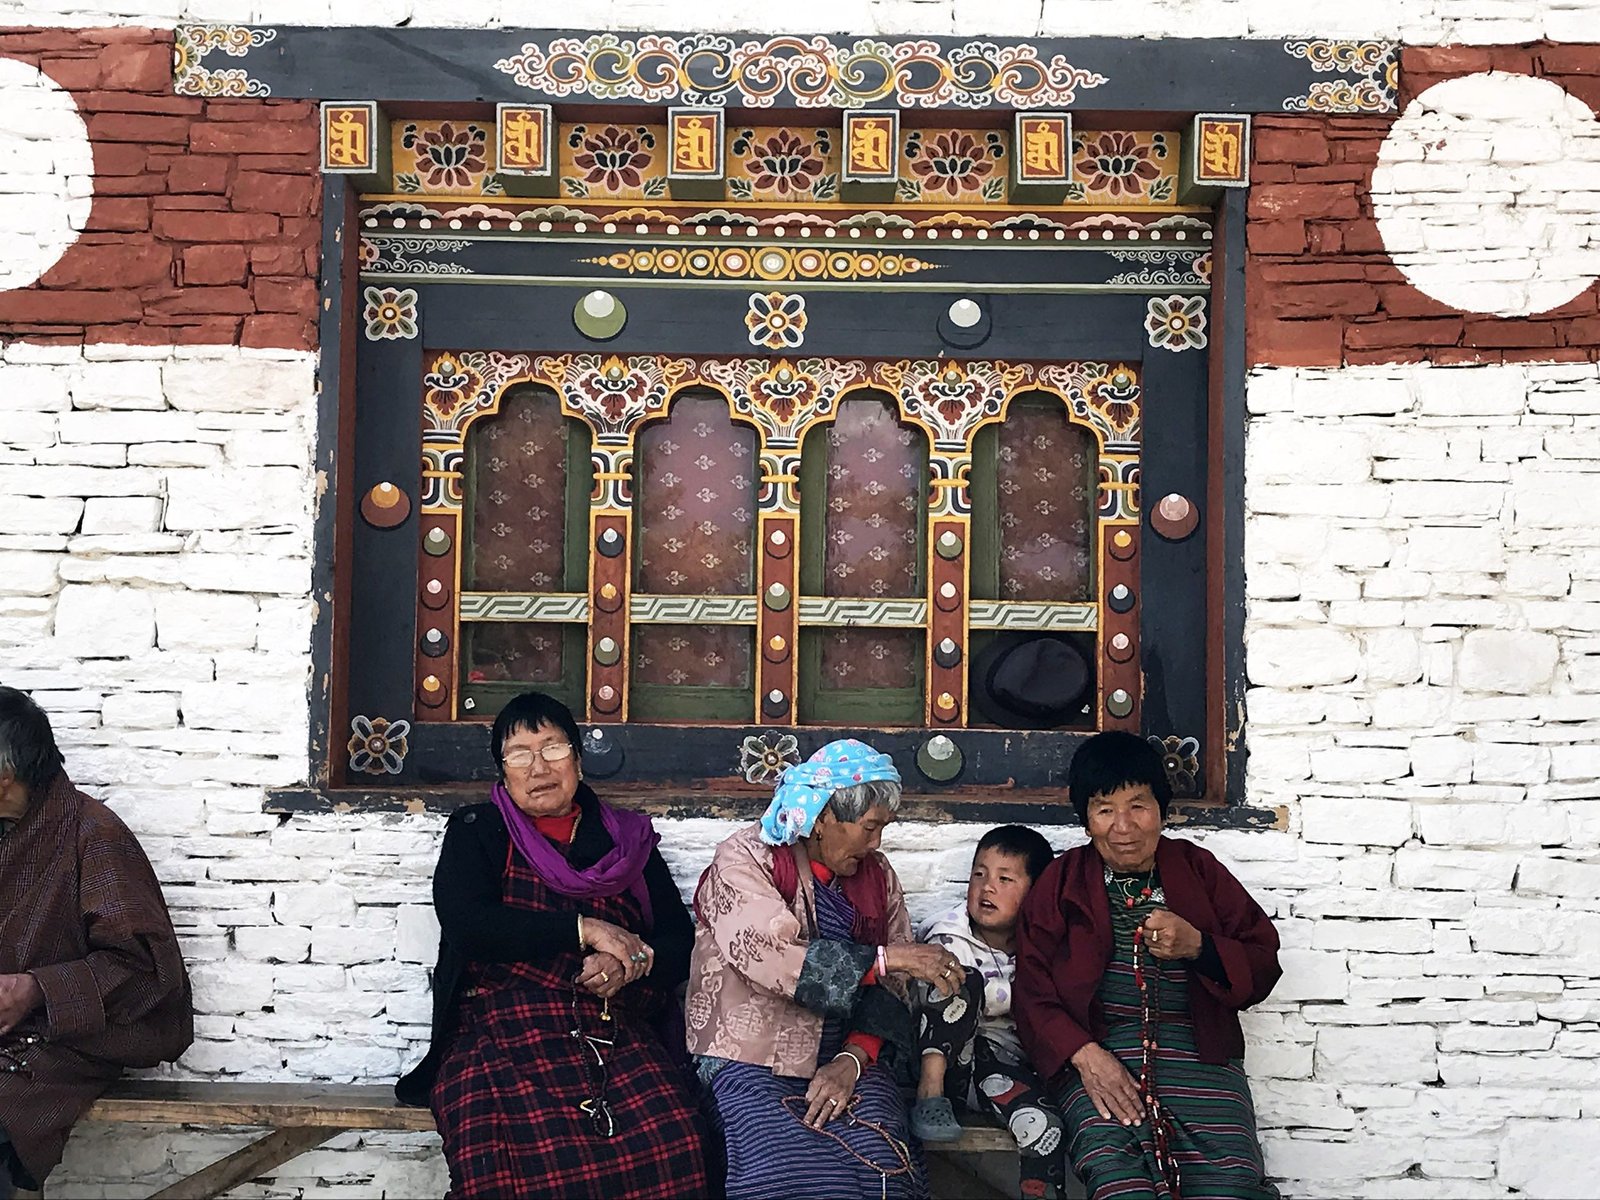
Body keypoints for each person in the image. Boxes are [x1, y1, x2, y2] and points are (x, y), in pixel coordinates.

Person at [396, 691, 708, 1199]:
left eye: (554, 749)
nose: (539, 766)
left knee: (675, 1143)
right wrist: (584, 930)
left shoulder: (627, 843)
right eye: (520, 754)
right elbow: (469, 925)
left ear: (579, 761)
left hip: (611, 1031)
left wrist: (631, 960)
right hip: (501, 1033)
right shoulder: (479, 832)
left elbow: (678, 940)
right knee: (510, 1169)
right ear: (502, 770)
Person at [685, 739, 965, 1200]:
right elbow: (771, 956)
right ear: (822, 817)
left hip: (848, 1053)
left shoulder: (877, 875)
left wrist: (852, 1060)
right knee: (784, 1175)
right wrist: (885, 958)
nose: (876, 844)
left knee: (882, 1171)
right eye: (869, 827)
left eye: (884, 829)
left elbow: (892, 987)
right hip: (754, 1054)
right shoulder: (745, 859)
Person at [1014, 730, 1282, 1200]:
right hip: (1100, 1061)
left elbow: (1262, 959)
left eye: (1138, 804)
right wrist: (1085, 1055)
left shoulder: (1199, 870)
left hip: (1201, 1058)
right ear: (1086, 820)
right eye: (1104, 809)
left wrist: (1199, 945)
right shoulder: (1062, 881)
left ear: (1161, 809)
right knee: (1123, 1187)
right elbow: (1033, 990)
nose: (1124, 826)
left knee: (1232, 1185)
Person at [0, 687, 193, 1198]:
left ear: (3, 778)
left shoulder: (93, 834)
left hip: (67, 1038)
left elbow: (148, 972)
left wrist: (34, 989)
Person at [909, 824, 1066, 1200]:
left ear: (1036, 891)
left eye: (1005, 878)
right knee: (958, 980)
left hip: (1004, 1072)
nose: (987, 887)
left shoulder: (1045, 944)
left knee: (1045, 1128)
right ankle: (929, 1098)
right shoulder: (947, 937)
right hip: (949, 1064)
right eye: (978, 874)